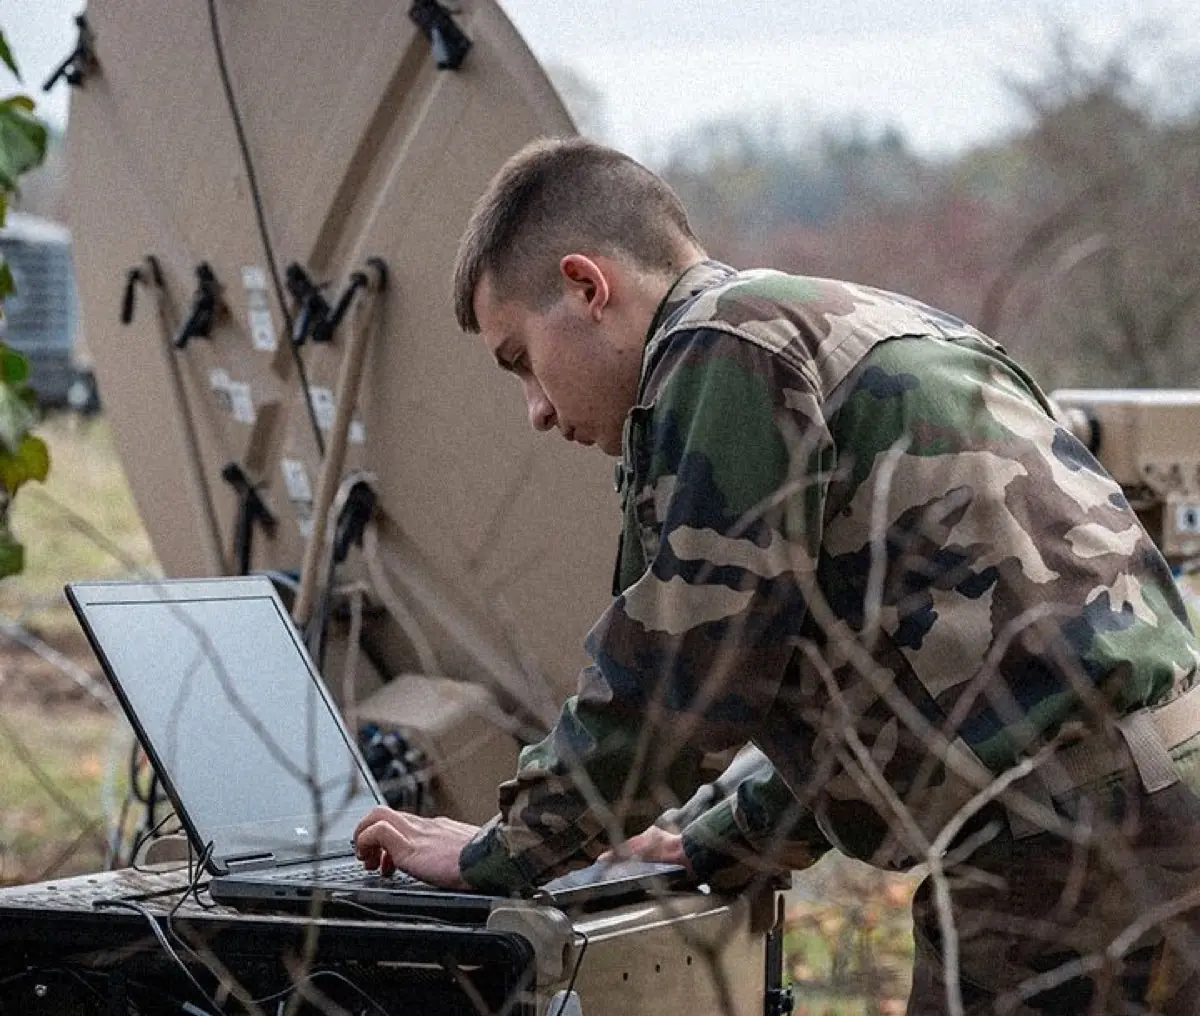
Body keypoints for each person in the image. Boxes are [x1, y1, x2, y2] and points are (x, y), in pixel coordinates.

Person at [354, 137, 1200, 1013]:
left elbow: (674, 691)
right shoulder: (847, 323)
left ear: (586, 287)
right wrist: (714, 841)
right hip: (1140, 809)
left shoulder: (719, 352)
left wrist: (490, 852)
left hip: (1068, 855)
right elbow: (872, 699)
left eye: (520, 359)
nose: (533, 409)